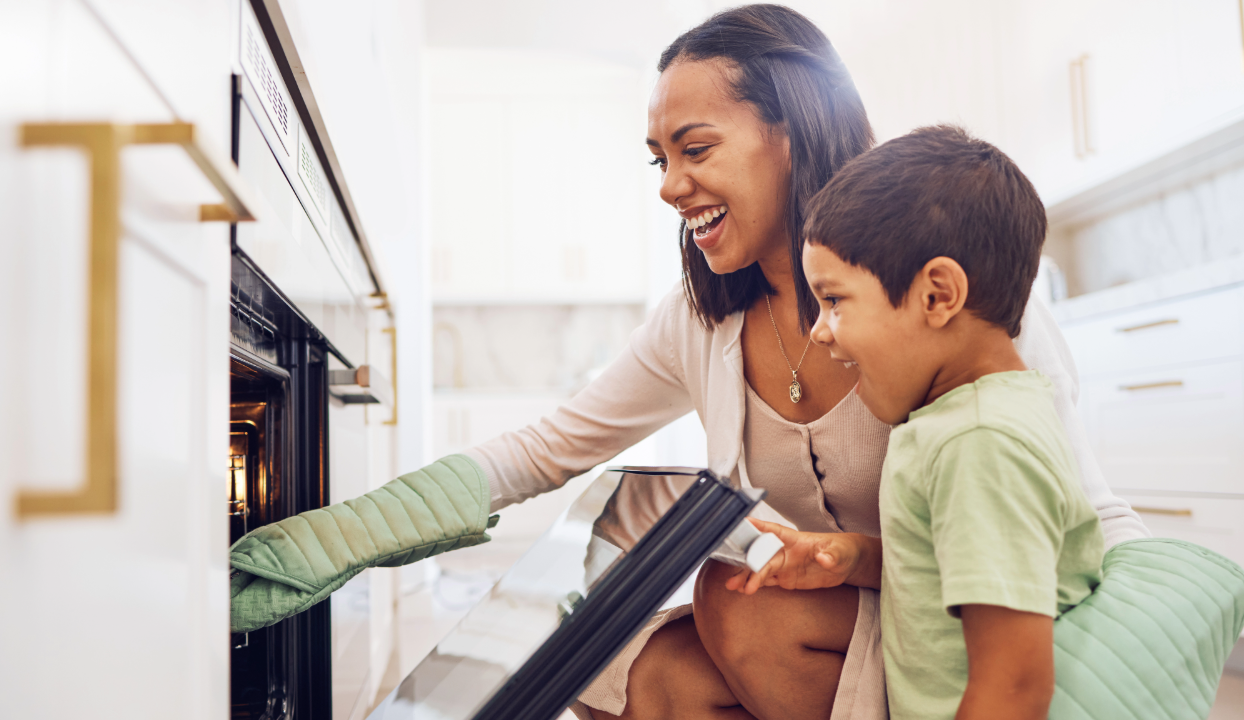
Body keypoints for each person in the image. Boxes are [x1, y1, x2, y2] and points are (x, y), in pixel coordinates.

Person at [466, 6, 1147, 720]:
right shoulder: (701, 319)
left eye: (694, 150)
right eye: (660, 159)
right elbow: (548, 448)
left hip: (968, 645)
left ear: (791, 132)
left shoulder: (956, 319)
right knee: (659, 659)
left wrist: (1133, 675)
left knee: (737, 608)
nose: (669, 185)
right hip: (873, 620)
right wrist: (365, 526)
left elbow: (1075, 520)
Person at [736, 125, 1103, 720]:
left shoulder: (979, 444)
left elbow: (1013, 687)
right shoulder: (972, 422)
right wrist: (857, 557)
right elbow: (955, 573)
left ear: (937, 295)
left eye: (834, 300)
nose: (818, 330)